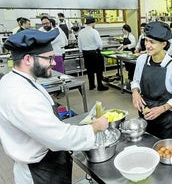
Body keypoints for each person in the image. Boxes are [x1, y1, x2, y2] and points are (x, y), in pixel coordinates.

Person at [0, 29, 108, 184]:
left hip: (44, 162)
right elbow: (59, 137)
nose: (54, 62)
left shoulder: (14, 80)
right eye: (49, 58)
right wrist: (94, 127)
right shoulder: (21, 95)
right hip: (39, 172)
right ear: (28, 59)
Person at [131, 21, 172, 139]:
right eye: (146, 40)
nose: (147, 45)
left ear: (163, 44)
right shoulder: (141, 60)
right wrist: (135, 92)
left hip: (165, 122)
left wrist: (161, 109)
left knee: (165, 153)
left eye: (152, 42)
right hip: (144, 117)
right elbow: (135, 81)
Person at [78, 16, 108, 91]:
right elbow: (99, 43)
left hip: (85, 53)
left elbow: (79, 44)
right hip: (94, 52)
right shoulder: (94, 31)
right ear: (93, 23)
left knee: (89, 70)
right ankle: (100, 85)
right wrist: (100, 49)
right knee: (99, 69)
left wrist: (82, 51)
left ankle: (91, 85)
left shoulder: (81, 32)